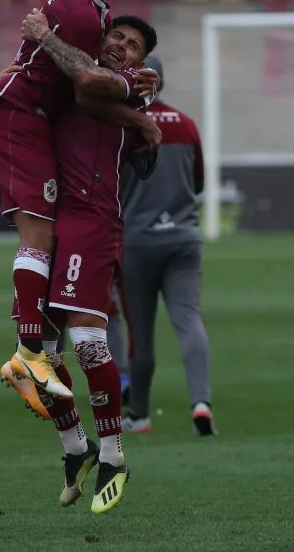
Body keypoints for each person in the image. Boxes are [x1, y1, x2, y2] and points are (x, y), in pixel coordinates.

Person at [0, 0, 159, 402]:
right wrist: (135, 102)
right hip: (24, 118)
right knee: (37, 233)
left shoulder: (83, 5)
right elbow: (86, 86)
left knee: (45, 241)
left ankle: (42, 371)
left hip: (28, 116)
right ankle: (28, 353)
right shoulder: (82, 15)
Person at [3, 11, 160, 514]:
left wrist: (141, 110)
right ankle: (76, 448)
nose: (122, 46)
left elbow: (90, 92)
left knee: (90, 343)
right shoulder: (79, 72)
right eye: (117, 35)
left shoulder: (124, 84)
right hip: (55, 212)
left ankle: (114, 455)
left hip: (92, 221)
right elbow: (66, 85)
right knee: (37, 358)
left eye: (134, 45)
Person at [108, 55, 216, 437]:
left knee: (141, 333)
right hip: (184, 238)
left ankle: (139, 415)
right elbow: (199, 182)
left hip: (137, 241)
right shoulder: (186, 124)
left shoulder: (122, 124)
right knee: (189, 320)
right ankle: (201, 403)